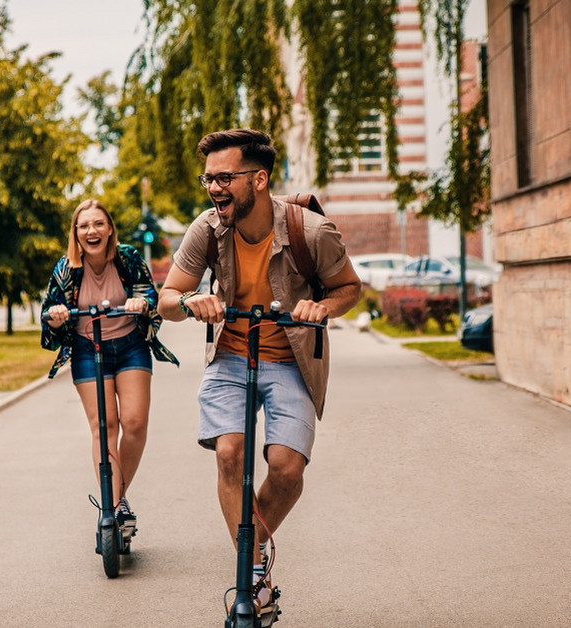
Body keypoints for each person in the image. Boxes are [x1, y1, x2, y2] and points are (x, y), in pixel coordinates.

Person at [158, 129, 361, 615]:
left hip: (291, 358)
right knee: (229, 453)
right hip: (230, 354)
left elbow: (350, 288)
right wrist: (191, 301)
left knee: (288, 470)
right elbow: (166, 300)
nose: (213, 188)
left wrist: (321, 307)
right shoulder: (206, 230)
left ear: (259, 179)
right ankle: (252, 578)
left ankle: (251, 554)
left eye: (224, 177)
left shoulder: (311, 232)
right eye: (208, 178)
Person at [40, 199, 179, 531]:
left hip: (130, 346)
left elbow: (151, 296)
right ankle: (115, 508)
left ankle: (115, 499)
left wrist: (140, 302)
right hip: (89, 349)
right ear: (76, 233)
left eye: (99, 224)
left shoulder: (127, 258)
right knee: (105, 427)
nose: (92, 230)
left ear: (110, 229)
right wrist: (57, 318)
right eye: (84, 225)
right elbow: (48, 318)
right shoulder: (65, 269)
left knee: (134, 423)